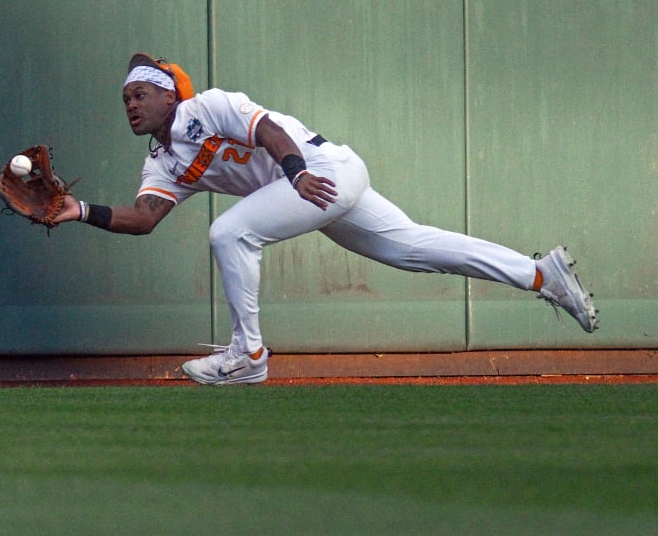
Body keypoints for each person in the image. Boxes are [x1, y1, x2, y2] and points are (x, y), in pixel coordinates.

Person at [53, 53, 599, 385]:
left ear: (169, 92)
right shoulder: (162, 160)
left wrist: (293, 173)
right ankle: (540, 274)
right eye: (125, 98)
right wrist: (77, 210)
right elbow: (143, 218)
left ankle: (248, 354)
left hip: (322, 171)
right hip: (309, 189)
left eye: (140, 93)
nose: (131, 104)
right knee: (412, 248)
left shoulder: (206, 106)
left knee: (229, 231)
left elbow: (268, 131)